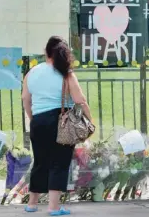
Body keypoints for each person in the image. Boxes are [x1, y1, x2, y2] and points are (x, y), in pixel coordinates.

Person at [22, 36, 92, 216]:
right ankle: (53, 207)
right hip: (61, 122)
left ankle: (32, 203)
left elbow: (26, 99)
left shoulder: (31, 72)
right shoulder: (66, 73)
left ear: (46, 52)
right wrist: (89, 121)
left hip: (37, 122)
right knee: (58, 163)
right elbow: (80, 101)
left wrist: (33, 118)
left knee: (40, 162)